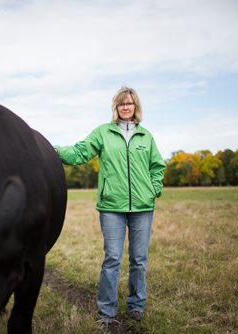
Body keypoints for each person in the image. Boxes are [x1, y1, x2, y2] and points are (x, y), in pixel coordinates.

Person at [54, 86, 166, 328]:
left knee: (139, 259)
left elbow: (158, 167)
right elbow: (80, 152)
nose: (125, 107)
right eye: (121, 104)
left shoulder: (146, 137)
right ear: (115, 107)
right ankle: (106, 310)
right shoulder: (103, 133)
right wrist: (53, 150)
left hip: (142, 208)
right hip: (111, 207)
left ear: (136, 107)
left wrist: (153, 189)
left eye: (130, 103)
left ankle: (136, 305)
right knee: (112, 258)